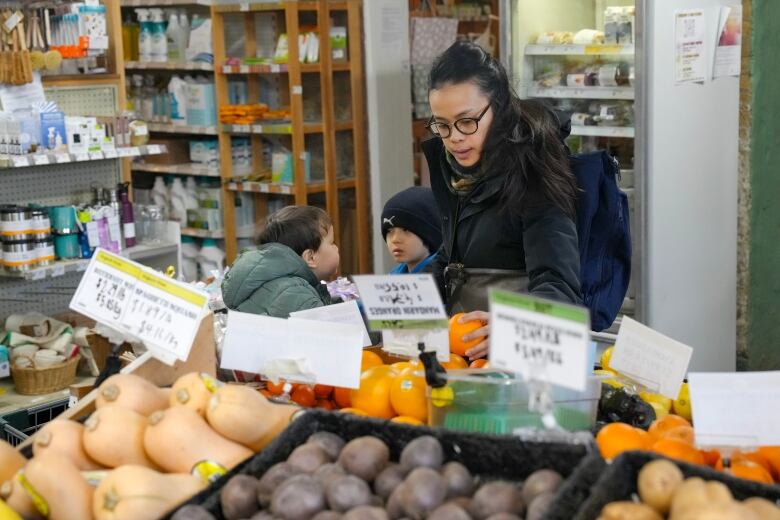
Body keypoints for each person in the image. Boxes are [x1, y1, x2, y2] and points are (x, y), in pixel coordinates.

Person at [423, 41, 582, 360]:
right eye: (441, 125)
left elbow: (560, 288)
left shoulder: (534, 174)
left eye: (467, 121)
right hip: (465, 356)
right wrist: (404, 304)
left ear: (499, 108)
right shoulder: (458, 171)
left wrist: (512, 328)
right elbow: (455, 256)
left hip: (518, 365)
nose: (454, 137)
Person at [221, 206, 339, 318]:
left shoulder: (274, 280)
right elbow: (327, 333)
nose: (336, 248)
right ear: (310, 258)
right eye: (332, 243)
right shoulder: (298, 296)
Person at [381, 186, 442, 274]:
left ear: (430, 235)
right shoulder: (393, 279)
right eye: (390, 231)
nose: (395, 240)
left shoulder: (449, 281)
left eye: (406, 230)